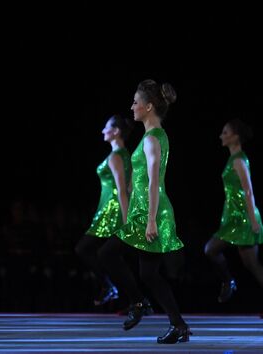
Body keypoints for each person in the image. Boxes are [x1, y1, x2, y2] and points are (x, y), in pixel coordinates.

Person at [98, 79, 190, 344]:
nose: (132, 106)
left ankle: (141, 304)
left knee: (108, 254)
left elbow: (154, 182)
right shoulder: (152, 136)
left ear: (149, 107)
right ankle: (176, 324)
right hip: (144, 211)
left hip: (150, 213)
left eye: (136, 102)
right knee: (148, 274)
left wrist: (150, 220)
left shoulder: (152, 139)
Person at [204, 119, 263, 318]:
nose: (221, 136)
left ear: (235, 137)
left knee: (211, 250)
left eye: (225, 132)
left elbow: (248, 191)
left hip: (242, 217)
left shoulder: (239, 160)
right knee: (252, 264)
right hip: (234, 216)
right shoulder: (234, 159)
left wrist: (253, 220)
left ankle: (228, 281)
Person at [75, 114, 133, 306]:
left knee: (84, 249)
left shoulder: (116, 157)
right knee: (113, 257)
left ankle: (109, 287)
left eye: (106, 127)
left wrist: (126, 221)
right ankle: (132, 300)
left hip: (112, 212)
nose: (102, 131)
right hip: (110, 210)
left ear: (116, 132)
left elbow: (124, 190)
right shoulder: (125, 155)